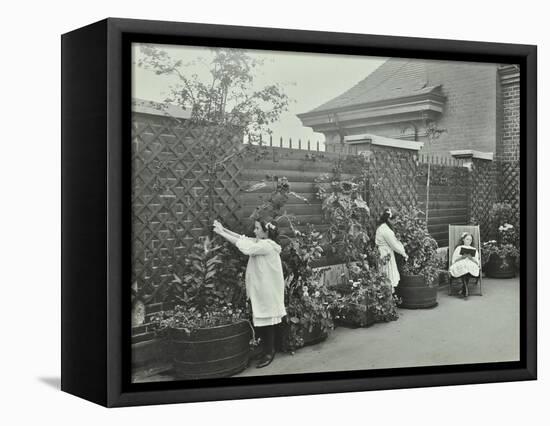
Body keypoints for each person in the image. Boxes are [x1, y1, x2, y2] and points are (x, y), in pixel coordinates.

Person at [213, 219, 286, 368]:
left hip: (268, 290)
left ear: (266, 232)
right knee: (264, 320)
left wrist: (221, 232)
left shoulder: (266, 246)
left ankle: (269, 352)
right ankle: (266, 349)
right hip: (263, 288)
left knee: (268, 321)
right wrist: (224, 230)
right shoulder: (262, 242)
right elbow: (242, 239)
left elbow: (244, 247)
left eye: (257, 228)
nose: (254, 231)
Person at [375, 208, 408, 289]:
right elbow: (394, 245)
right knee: (387, 277)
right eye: (394, 220)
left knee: (384, 277)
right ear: (389, 219)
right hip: (385, 254)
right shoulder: (386, 230)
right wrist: (404, 253)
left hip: (383, 253)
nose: (396, 222)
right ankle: (388, 296)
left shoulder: (383, 227)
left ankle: (387, 296)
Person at [449, 232, 480, 300]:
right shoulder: (459, 248)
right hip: (460, 263)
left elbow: (477, 262)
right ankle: (465, 288)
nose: (469, 241)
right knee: (464, 266)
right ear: (463, 239)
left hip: (470, 263)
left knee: (468, 267)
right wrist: (462, 257)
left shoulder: (474, 249)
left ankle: (464, 289)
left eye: (470, 240)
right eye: (467, 239)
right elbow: (454, 260)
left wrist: (471, 258)